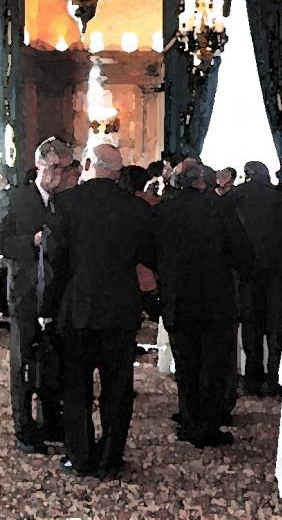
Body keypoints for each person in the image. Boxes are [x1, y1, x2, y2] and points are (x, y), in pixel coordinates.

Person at [44, 144, 155, 477]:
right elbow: (147, 255)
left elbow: (55, 259)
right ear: (119, 172)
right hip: (120, 307)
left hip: (78, 306)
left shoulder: (65, 204)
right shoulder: (136, 209)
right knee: (117, 389)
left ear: (90, 164)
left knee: (76, 387)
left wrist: (51, 306)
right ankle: (110, 457)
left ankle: (79, 457)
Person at [155, 161, 252, 448]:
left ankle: (188, 419)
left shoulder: (164, 210)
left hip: (177, 297)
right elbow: (241, 251)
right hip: (215, 300)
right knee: (213, 365)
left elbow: (151, 251)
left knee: (185, 365)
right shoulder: (220, 208)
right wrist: (245, 275)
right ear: (203, 182)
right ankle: (207, 426)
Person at [0, 137, 69, 453]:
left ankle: (51, 421)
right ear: (39, 164)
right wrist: (32, 241)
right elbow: (2, 242)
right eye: (54, 166)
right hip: (25, 294)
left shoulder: (68, 202)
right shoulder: (16, 199)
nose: (58, 174)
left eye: (64, 168)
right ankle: (25, 429)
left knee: (55, 361)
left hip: (58, 296)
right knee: (23, 361)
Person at [229, 161, 282, 397]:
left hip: (248, 272)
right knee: (276, 328)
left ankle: (252, 378)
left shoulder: (236, 197)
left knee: (251, 328)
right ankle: (275, 378)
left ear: (247, 174)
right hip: (279, 272)